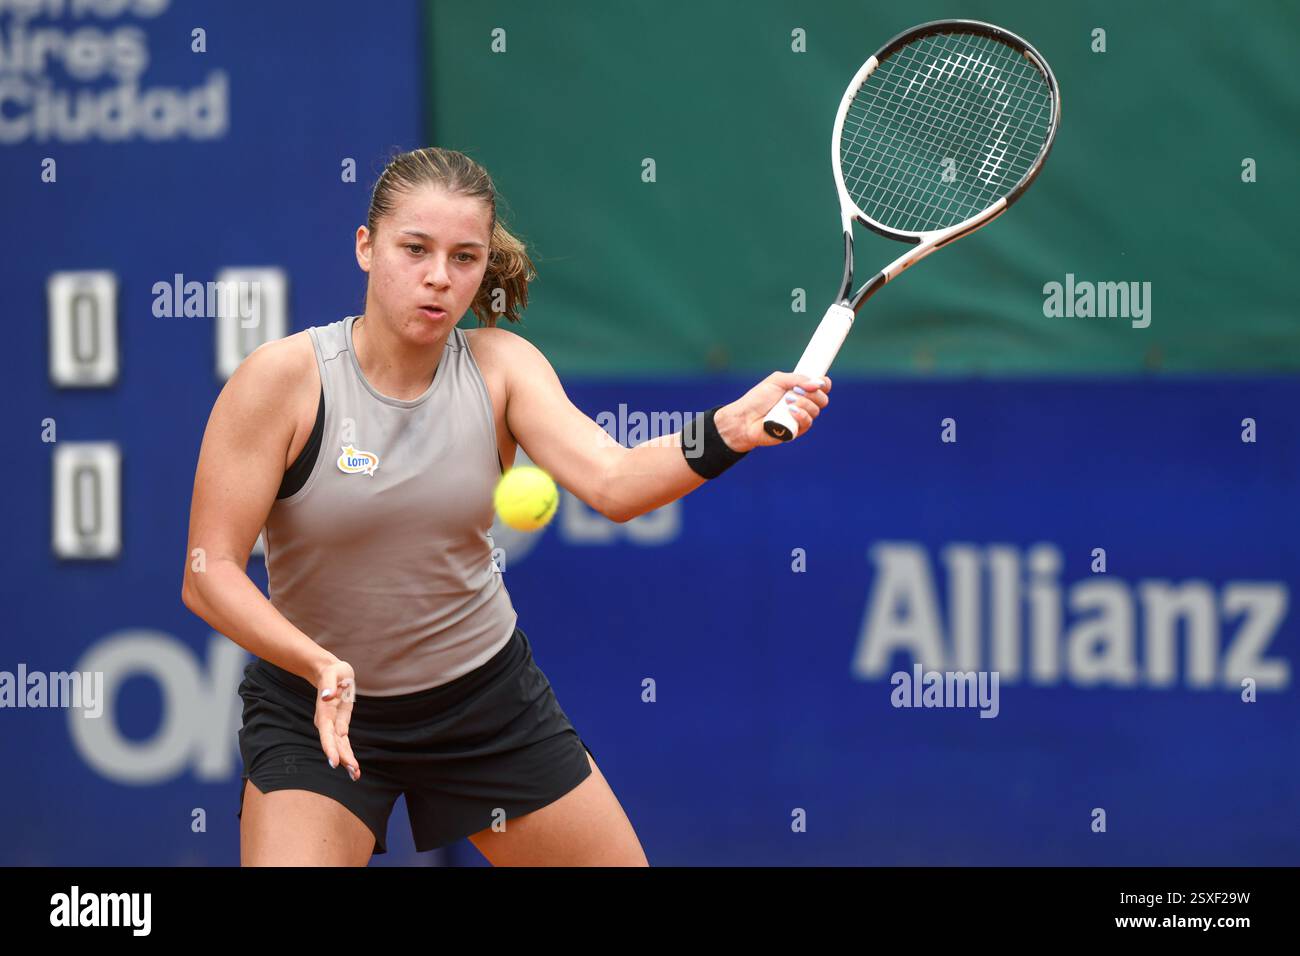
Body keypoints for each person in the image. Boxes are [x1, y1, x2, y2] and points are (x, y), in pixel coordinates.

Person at [181, 146, 831, 867]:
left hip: (481, 706)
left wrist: (730, 429)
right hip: (316, 708)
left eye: (464, 258)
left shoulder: (501, 368)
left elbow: (613, 483)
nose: (438, 277)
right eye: (415, 249)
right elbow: (209, 572)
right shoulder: (283, 381)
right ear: (366, 248)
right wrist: (317, 664)